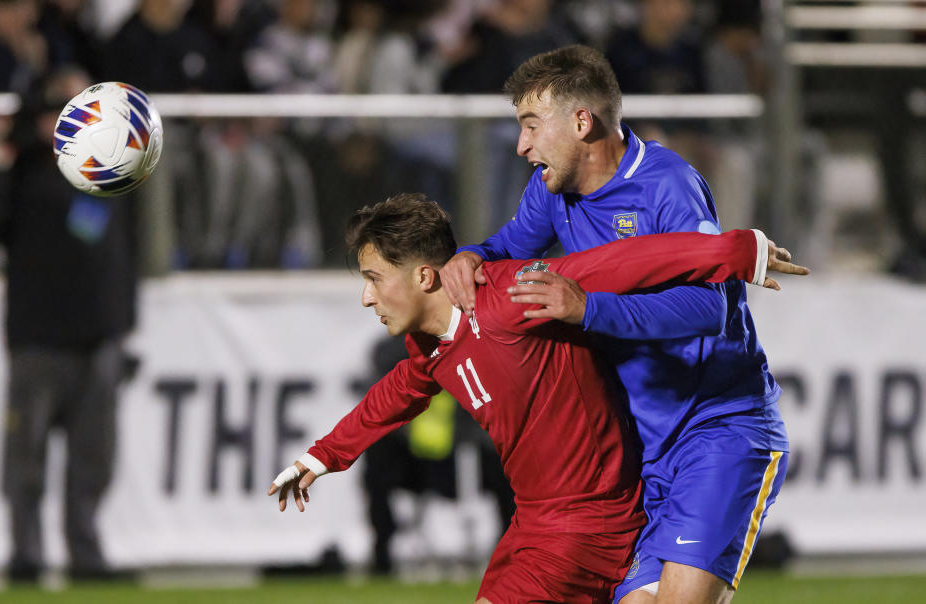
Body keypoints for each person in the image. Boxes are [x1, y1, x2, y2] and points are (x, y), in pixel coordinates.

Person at [269, 194, 805, 603]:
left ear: (424, 275)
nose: (366, 296)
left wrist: (737, 250)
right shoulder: (431, 347)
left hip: (587, 524)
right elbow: (398, 391)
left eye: (374, 278)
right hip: (538, 527)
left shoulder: (511, 297)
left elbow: (623, 261)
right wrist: (321, 456)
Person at [438, 45, 798, 603]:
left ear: (582, 122)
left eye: (532, 126)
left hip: (720, 429)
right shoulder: (552, 192)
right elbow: (505, 248)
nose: (522, 145)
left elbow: (710, 310)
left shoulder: (668, 185)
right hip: (645, 451)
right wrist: (471, 254)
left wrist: (588, 309)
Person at [0, 68, 137, 582]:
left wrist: (123, 327)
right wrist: (3, 158)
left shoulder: (111, 175)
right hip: (38, 339)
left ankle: (85, 555)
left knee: (94, 460)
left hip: (97, 338)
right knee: (27, 459)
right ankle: (27, 555)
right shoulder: (23, 173)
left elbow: (122, 257)